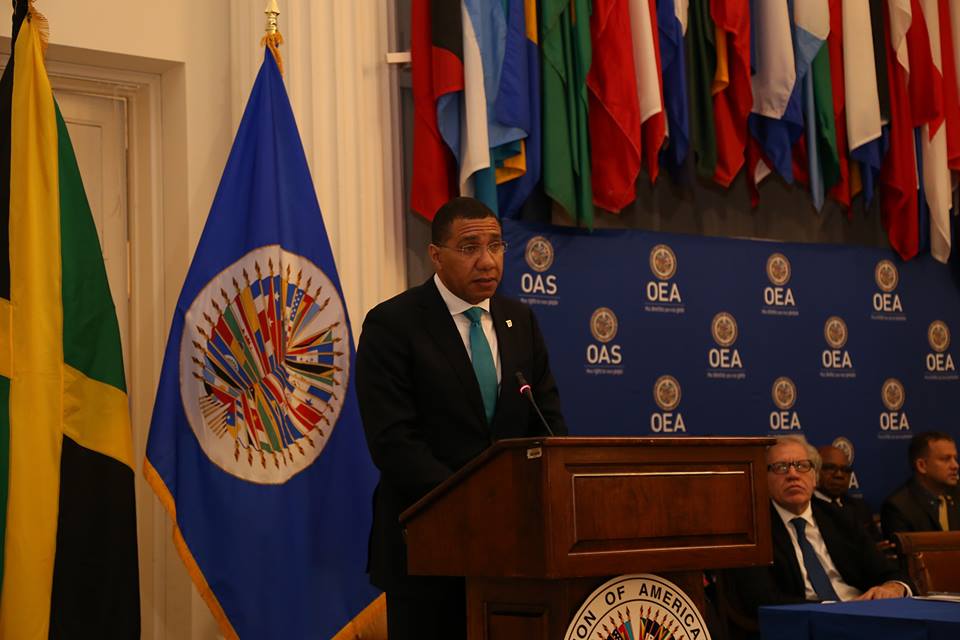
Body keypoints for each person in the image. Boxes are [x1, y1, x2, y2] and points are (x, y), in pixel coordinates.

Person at [355, 197, 567, 640]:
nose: (487, 261)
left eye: (496, 245)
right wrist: (476, 505)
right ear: (436, 255)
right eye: (470, 247)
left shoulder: (519, 321)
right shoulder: (393, 324)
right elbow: (394, 442)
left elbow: (547, 425)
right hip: (428, 551)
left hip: (515, 553)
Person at [727, 436, 910, 618]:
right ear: (763, 479)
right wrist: (832, 609)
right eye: (780, 467)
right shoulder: (753, 529)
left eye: (802, 466)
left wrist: (893, 586)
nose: (793, 474)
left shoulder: (841, 518)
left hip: (861, 615)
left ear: (814, 477)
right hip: (803, 622)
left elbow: (887, 571)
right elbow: (760, 599)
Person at [881, 431, 960, 536]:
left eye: (955, 458)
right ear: (922, 466)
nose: (955, 466)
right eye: (946, 459)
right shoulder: (898, 507)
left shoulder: (957, 494)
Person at [814, 445, 886, 546]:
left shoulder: (860, 508)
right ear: (814, 471)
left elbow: (878, 545)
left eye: (845, 470)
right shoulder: (805, 508)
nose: (839, 475)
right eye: (830, 468)